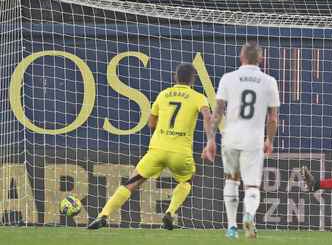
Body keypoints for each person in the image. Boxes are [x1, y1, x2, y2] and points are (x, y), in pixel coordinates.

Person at [88, 63, 214, 230]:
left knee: (131, 183)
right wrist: (209, 140)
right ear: (193, 80)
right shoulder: (198, 97)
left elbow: (151, 123)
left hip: (157, 150)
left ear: (174, 77)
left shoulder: (163, 95)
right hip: (180, 152)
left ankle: (102, 215)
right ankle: (170, 212)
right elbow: (207, 115)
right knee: (186, 180)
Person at [209, 42, 280, 239]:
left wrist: (210, 140)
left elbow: (217, 113)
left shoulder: (228, 78)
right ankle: (249, 215)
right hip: (253, 140)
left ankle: (231, 227)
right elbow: (273, 118)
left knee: (231, 181)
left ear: (241, 57)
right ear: (261, 59)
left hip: (230, 137)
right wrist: (269, 140)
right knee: (251, 186)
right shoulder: (269, 81)